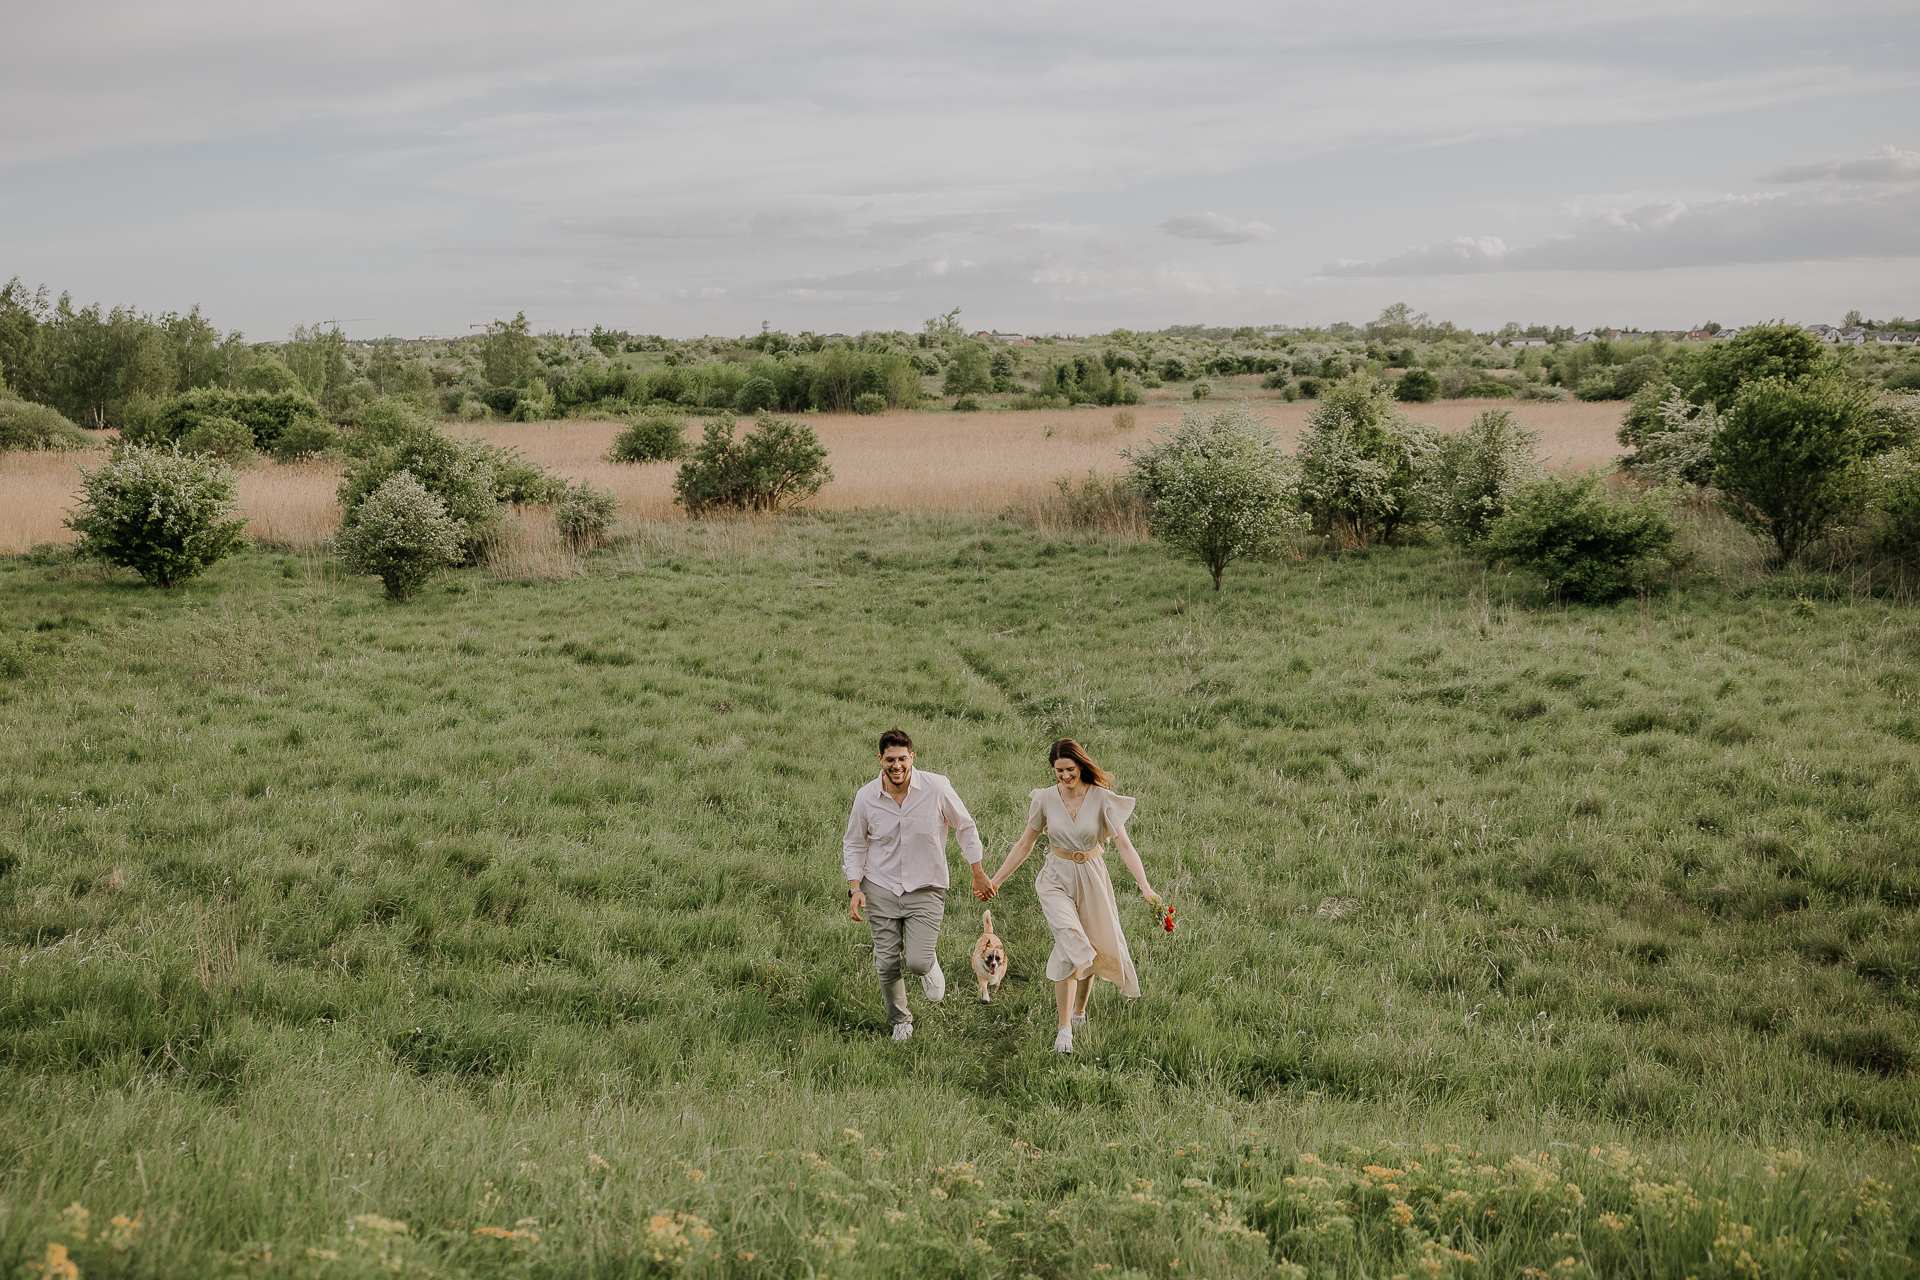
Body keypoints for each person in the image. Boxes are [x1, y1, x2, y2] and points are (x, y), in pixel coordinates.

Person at [987, 738, 1156, 1054]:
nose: (1064, 776)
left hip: (1092, 877)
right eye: (1058, 771)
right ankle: (1064, 1031)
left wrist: (1145, 887)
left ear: (1081, 765)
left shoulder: (1102, 799)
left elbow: (1124, 846)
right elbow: (1025, 844)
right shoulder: (1045, 799)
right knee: (1070, 941)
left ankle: (1079, 1013)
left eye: (1070, 769)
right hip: (1056, 878)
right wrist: (996, 880)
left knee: (1090, 943)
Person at [843, 728, 994, 1042]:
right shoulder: (866, 797)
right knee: (885, 962)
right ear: (880, 760)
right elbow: (855, 844)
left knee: (916, 961)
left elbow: (965, 826)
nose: (896, 766)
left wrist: (977, 872)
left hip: (926, 885)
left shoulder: (936, 788)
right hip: (880, 886)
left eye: (902, 759)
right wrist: (855, 888)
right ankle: (901, 1020)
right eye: (889, 760)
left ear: (911, 757)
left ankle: (926, 961)